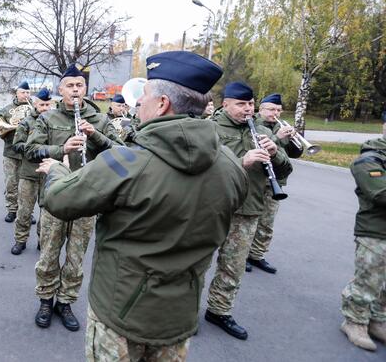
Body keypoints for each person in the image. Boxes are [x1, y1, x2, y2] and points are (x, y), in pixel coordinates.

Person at [37, 51, 247, 361]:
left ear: (162, 104)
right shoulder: (231, 165)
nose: (138, 102)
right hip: (179, 315)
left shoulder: (127, 163)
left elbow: (60, 199)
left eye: (145, 94)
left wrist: (56, 169)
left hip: (120, 314)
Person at [25, 64, 120, 332]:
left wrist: (96, 136)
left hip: (88, 199)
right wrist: (60, 148)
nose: (75, 90)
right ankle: (45, 299)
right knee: (49, 254)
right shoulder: (48, 118)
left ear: (85, 88)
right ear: (61, 89)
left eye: (79, 85)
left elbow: (123, 154)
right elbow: (30, 150)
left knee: (76, 258)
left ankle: (65, 302)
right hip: (55, 198)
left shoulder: (99, 119)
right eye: (70, 86)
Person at [204, 82, 292, 340]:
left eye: (251, 104)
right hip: (213, 206)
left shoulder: (263, 129)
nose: (248, 109)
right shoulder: (209, 128)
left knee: (233, 265)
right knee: (195, 264)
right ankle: (182, 313)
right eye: (241, 104)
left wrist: (275, 153)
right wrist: (240, 163)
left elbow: (285, 170)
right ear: (226, 104)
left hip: (249, 208)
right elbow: (199, 168)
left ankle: (219, 310)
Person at [340, 123, 386, 351]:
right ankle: (354, 322)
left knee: (385, 284)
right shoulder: (368, 159)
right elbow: (381, 193)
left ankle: (377, 319)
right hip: (375, 231)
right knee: (368, 280)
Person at [246, 93, 303, 274]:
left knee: (267, 222)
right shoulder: (252, 125)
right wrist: (277, 137)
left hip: (276, 181)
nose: (275, 112)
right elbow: (260, 148)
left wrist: (295, 138)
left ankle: (257, 255)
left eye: (278, 109)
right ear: (261, 109)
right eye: (271, 109)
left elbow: (293, 154)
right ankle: (243, 254)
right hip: (256, 179)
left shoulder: (280, 126)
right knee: (248, 220)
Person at [10, 87, 54, 255]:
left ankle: (42, 240)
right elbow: (17, 144)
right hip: (29, 172)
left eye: (47, 105)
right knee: (24, 210)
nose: (45, 108)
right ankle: (20, 240)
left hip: (49, 173)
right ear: (36, 105)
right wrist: (34, 148)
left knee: (46, 210)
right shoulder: (26, 122)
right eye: (42, 105)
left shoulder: (54, 121)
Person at [0, 81, 32, 223]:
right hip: (11, 151)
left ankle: (27, 211)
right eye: (23, 92)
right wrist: (11, 126)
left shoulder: (35, 108)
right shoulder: (7, 109)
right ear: (17, 93)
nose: (25, 95)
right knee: (11, 182)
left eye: (28, 92)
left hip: (29, 152)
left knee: (27, 185)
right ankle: (12, 209)